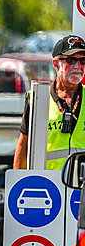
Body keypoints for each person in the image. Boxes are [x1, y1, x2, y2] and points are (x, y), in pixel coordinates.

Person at [14, 34, 85, 170]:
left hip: (82, 186)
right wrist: (19, 183)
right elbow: (24, 146)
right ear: (56, 64)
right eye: (71, 60)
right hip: (47, 185)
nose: (77, 66)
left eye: (83, 61)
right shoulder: (37, 98)